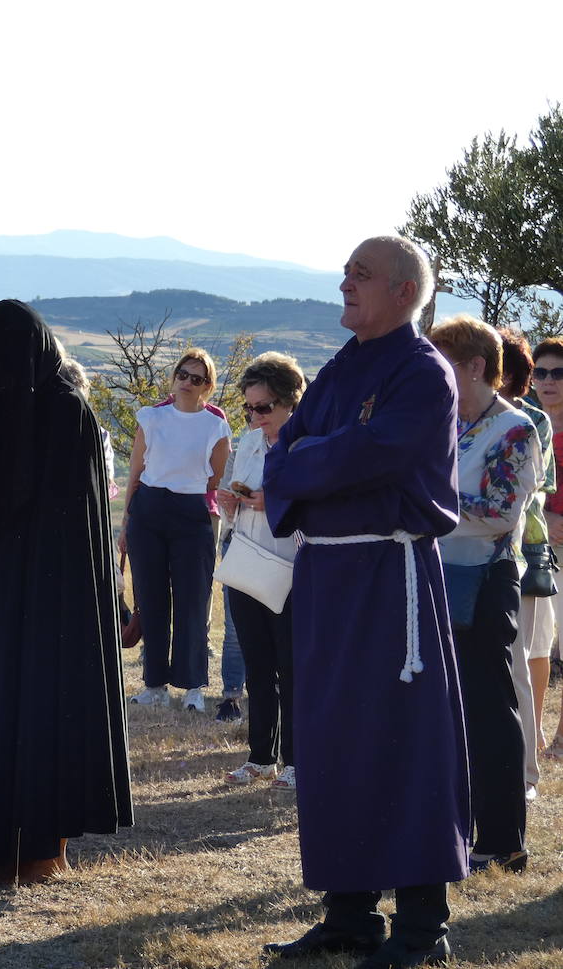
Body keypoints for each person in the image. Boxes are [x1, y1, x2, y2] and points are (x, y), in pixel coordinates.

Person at [262, 236, 468, 969]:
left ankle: (422, 925)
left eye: (361, 273)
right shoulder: (341, 367)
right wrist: (321, 458)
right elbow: (284, 454)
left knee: (403, 744)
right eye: (346, 270)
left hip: (390, 580)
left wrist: (317, 459)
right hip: (327, 582)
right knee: (331, 740)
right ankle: (349, 914)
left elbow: (369, 453)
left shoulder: (424, 374)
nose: (344, 282)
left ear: (405, 291)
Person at [0, 299, 132, 883]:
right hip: (54, 604)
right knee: (42, 711)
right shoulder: (68, 413)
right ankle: (40, 848)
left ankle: (5, 844)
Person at [429, 315, 537, 872]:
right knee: (449, 715)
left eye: (444, 364)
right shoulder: (448, 423)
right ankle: (457, 832)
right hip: (435, 578)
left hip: (484, 583)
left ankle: (503, 839)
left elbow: (498, 515)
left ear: (476, 367)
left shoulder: (514, 430)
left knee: (489, 711)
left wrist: (425, 502)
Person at [118, 348, 231, 711]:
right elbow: (135, 472)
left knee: (192, 600)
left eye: (196, 378)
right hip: (148, 508)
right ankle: (155, 686)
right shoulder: (151, 417)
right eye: (182, 374)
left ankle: (193, 687)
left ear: (207, 386)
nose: (186, 382)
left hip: (191, 510)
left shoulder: (216, 425)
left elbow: (214, 477)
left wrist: (186, 486)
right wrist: (126, 523)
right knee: (150, 599)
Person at [215, 353, 305, 792]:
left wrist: (276, 502)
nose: (254, 416)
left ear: (291, 401)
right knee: (256, 665)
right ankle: (260, 757)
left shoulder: (308, 443)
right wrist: (229, 504)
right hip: (247, 562)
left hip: (290, 566)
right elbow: (232, 496)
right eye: (248, 408)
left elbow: (319, 505)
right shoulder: (249, 441)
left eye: (263, 407)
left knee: (291, 667)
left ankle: (296, 760)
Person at [495, 327, 554, 800]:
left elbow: (532, 492)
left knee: (524, 661)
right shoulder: (462, 419)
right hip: (487, 558)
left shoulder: (531, 421)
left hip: (521, 555)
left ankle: (526, 773)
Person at [534, 337, 563, 757]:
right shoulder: (523, 423)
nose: (547, 381)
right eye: (540, 372)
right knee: (536, 644)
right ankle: (534, 730)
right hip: (535, 549)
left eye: (558, 373)